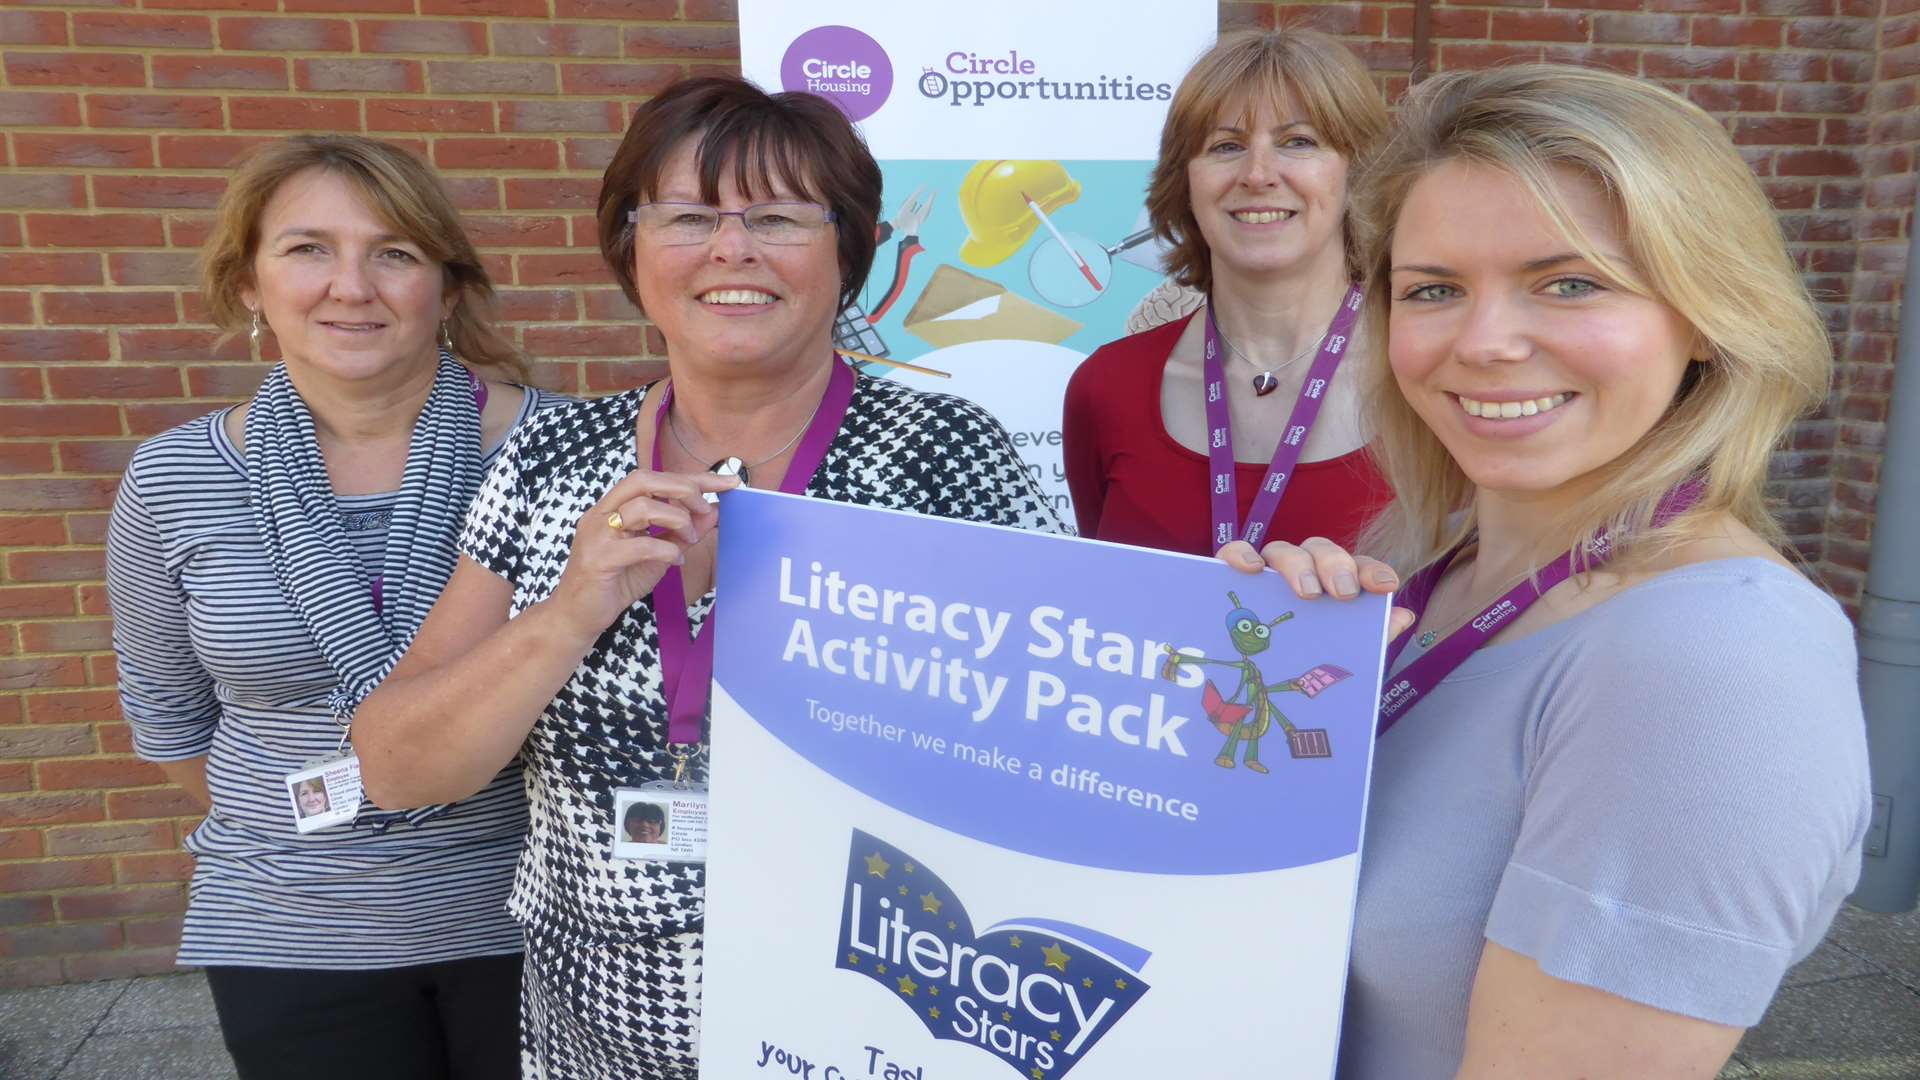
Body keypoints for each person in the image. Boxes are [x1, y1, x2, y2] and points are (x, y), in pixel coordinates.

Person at [349, 76, 1059, 1079]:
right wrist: (568, 613)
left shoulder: (946, 458)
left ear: (846, 250)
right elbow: (396, 765)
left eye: (776, 217)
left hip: (872, 1013)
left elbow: (1058, 734)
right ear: (632, 248)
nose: (732, 249)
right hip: (604, 1027)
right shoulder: (553, 463)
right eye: (687, 216)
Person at [1232, 65, 1871, 1078]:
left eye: (1568, 283)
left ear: (1703, 316)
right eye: (1434, 289)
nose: (1484, 344)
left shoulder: (1720, 662)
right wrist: (1240, 692)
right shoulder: (1425, 569)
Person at [105, 135, 559, 1080]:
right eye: (308, 248)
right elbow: (170, 714)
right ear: (248, 285)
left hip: (536, 911)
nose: (351, 286)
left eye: (394, 252)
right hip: (286, 926)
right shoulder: (175, 476)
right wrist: (336, 820)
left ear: (448, 283)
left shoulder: (564, 452)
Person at [1064, 29, 1395, 557]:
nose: (1258, 174)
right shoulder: (1107, 388)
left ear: (1358, 171)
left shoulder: (1428, 378)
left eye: (1298, 141)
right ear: (1186, 183)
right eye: (1226, 146)